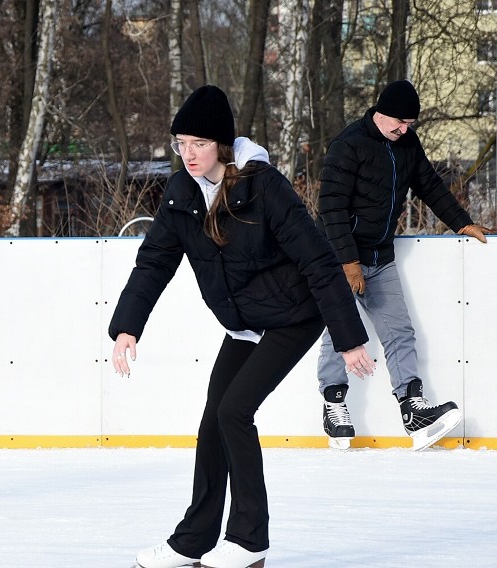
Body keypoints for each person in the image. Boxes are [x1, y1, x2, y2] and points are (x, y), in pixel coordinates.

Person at [109, 85, 375, 568]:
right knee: (213, 420)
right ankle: (193, 540)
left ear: (223, 145)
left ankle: (250, 540)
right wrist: (128, 325)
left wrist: (349, 339)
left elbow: (318, 260)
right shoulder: (181, 193)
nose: (189, 155)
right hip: (245, 324)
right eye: (181, 143)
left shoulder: (263, 186)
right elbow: (154, 262)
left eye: (200, 144)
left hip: (293, 317)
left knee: (234, 411)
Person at [315, 79, 491, 451]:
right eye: (398, 122)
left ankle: (413, 409)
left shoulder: (407, 144)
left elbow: (429, 186)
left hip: (380, 257)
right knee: (340, 330)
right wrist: (348, 262)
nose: (404, 129)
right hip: (339, 257)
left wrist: (461, 221)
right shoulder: (348, 146)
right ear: (379, 113)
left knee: (400, 332)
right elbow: (330, 208)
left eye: (410, 123)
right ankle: (333, 403)